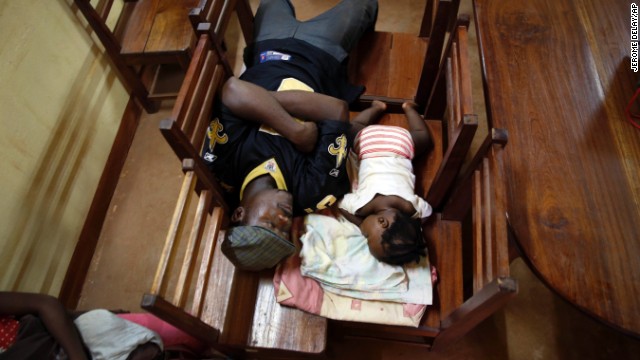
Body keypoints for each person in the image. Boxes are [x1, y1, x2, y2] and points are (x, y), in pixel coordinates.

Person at [201, 0, 379, 271]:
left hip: (268, 49)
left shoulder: (223, 167)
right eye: (284, 233)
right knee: (365, 4)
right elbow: (336, 109)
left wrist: (295, 131)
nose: (284, 222)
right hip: (320, 55)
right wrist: (256, 102)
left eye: (270, 223)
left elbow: (232, 90)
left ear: (240, 213)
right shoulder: (312, 191)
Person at [338, 101, 434, 266]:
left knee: (422, 136)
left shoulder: (411, 206)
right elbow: (340, 204)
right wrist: (360, 223)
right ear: (382, 222)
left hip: (402, 144)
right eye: (367, 236)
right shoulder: (362, 205)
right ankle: (377, 108)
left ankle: (401, 108)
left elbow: (427, 212)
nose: (363, 233)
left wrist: (411, 224)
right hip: (368, 142)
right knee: (352, 130)